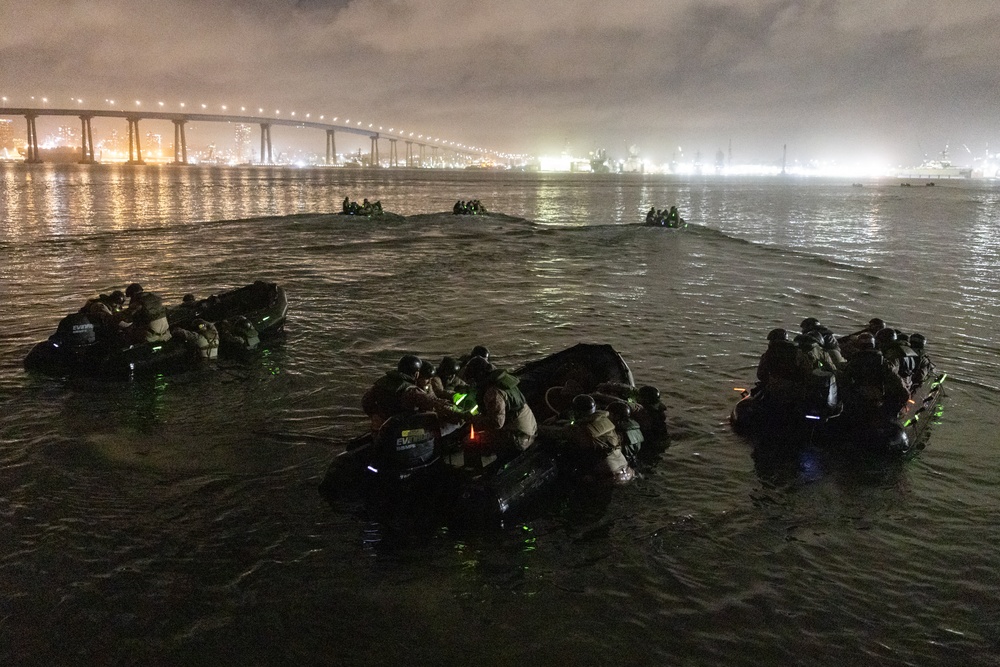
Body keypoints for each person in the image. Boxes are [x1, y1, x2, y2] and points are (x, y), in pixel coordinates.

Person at [543, 394, 634, 485]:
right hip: (627, 472)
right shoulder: (605, 420)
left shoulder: (579, 430)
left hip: (609, 478)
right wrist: (559, 417)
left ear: (576, 412)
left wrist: (538, 426)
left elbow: (550, 432)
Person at [361, 355, 466, 434]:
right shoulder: (411, 391)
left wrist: (375, 416)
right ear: (416, 373)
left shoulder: (381, 383)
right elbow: (435, 404)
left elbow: (366, 401)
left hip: (382, 429)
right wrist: (462, 413)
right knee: (456, 422)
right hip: (405, 431)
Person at [462, 355, 537, 462]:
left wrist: (474, 419)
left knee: (469, 441)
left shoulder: (493, 392)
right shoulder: (503, 382)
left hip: (519, 437)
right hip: (529, 430)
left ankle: (477, 474)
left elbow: (496, 423)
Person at [839, 333, 909, 422]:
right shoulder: (882, 362)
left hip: (858, 397)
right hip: (877, 398)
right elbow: (895, 379)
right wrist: (905, 396)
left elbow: (845, 380)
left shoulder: (854, 361)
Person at [607, 400, 643, 468]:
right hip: (634, 460)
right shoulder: (634, 427)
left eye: (610, 414)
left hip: (624, 462)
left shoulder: (619, 431)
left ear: (616, 416)